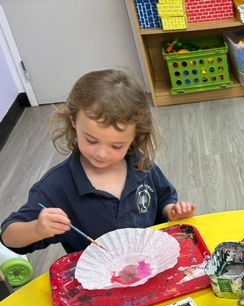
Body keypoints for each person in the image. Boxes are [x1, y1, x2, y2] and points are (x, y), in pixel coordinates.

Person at [1, 68, 195, 255]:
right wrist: (37, 229)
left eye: (116, 146)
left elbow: (164, 199)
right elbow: (8, 236)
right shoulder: (57, 185)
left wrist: (171, 211)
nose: (101, 154)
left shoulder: (141, 164)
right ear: (73, 120)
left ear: (135, 135)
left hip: (150, 262)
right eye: (91, 140)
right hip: (98, 275)